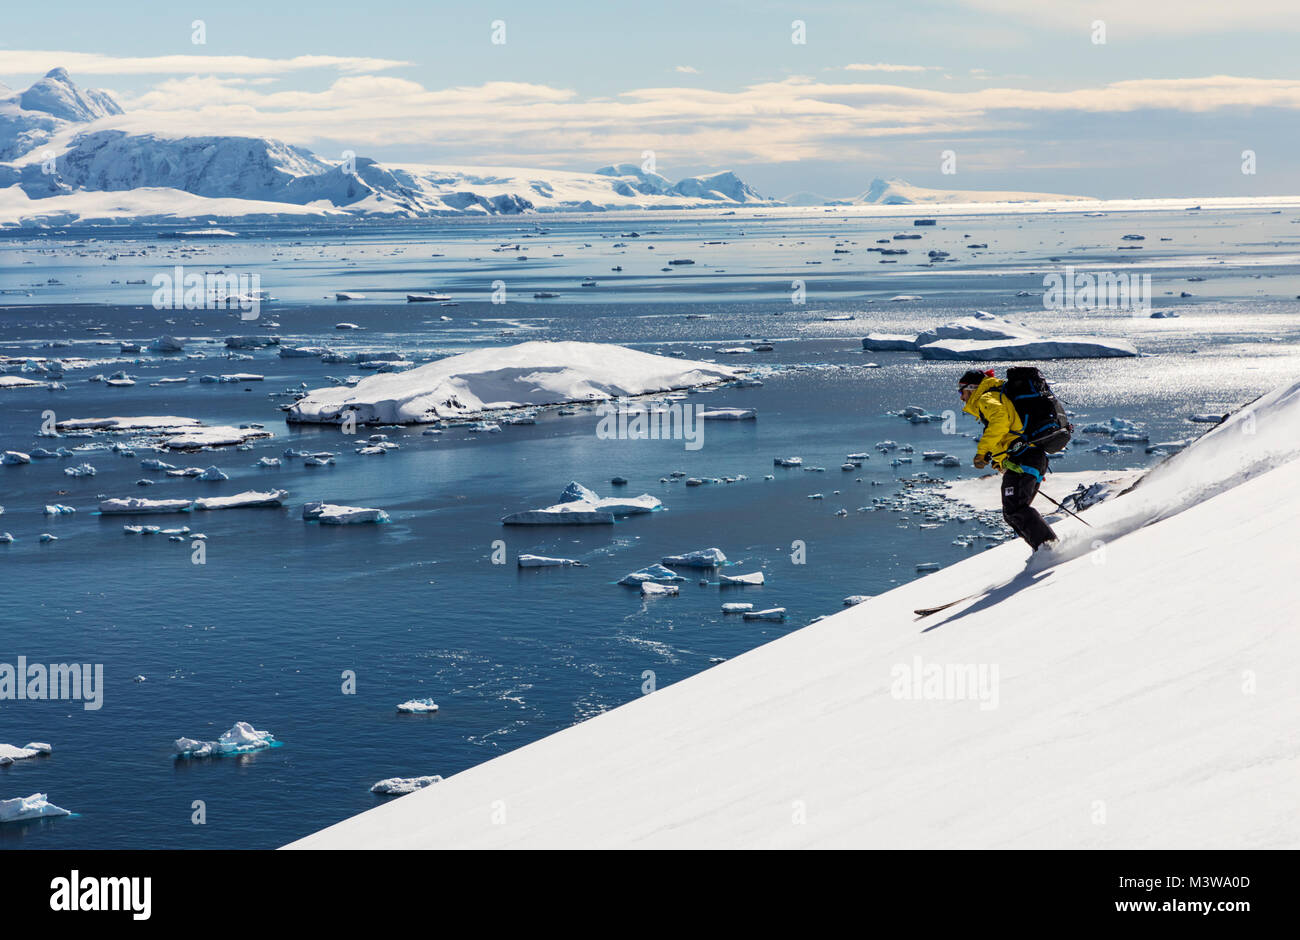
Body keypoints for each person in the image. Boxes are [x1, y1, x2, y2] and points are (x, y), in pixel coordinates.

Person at [958, 369, 1058, 551]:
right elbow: (1008, 432)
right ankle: (1046, 549)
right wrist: (999, 460)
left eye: (961, 391)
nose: (961, 397)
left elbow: (1000, 422)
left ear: (972, 388)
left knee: (1015, 509)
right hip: (1029, 458)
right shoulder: (996, 395)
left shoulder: (985, 398)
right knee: (1013, 511)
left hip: (1025, 458)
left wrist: (982, 452)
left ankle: (1051, 549)